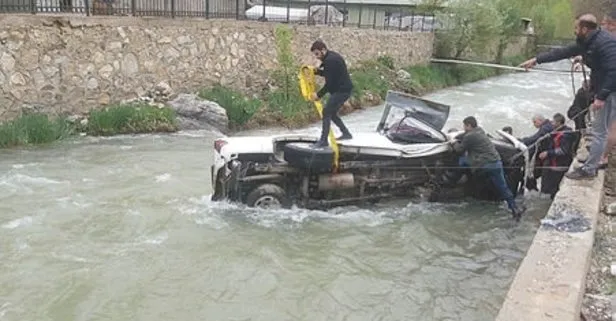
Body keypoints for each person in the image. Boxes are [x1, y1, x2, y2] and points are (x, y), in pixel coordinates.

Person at [519, 13, 616, 180]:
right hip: (604, 88)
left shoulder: (605, 43)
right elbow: (563, 52)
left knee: (600, 131)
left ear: (585, 29)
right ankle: (592, 159)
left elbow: (614, 71)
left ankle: (589, 169)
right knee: (599, 130)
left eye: (576, 27)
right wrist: (536, 60)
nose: (574, 30)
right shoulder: (587, 41)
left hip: (611, 90)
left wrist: (601, 96)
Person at [453, 116, 526, 221]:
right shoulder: (480, 131)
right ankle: (514, 209)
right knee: (503, 187)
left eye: (464, 125)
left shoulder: (470, 137)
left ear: (469, 125)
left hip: (483, 165)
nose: (463, 127)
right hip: (496, 163)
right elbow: (465, 135)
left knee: (462, 160)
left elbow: (459, 149)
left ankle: (453, 179)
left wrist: (454, 142)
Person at [309, 40, 354, 148]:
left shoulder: (330, 60)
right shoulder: (330, 57)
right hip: (342, 89)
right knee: (332, 113)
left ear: (323, 50)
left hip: (342, 91)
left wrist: (318, 95)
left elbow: (329, 84)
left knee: (326, 112)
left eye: (317, 54)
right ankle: (346, 134)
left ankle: (323, 141)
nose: (316, 57)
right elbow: (328, 72)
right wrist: (316, 72)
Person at [537, 113, 575, 199]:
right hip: (552, 163)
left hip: (559, 165)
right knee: (547, 187)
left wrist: (548, 153)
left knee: (554, 188)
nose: (551, 123)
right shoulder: (556, 131)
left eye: (553, 122)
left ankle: (551, 200)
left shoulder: (566, 134)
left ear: (559, 123)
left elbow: (563, 150)